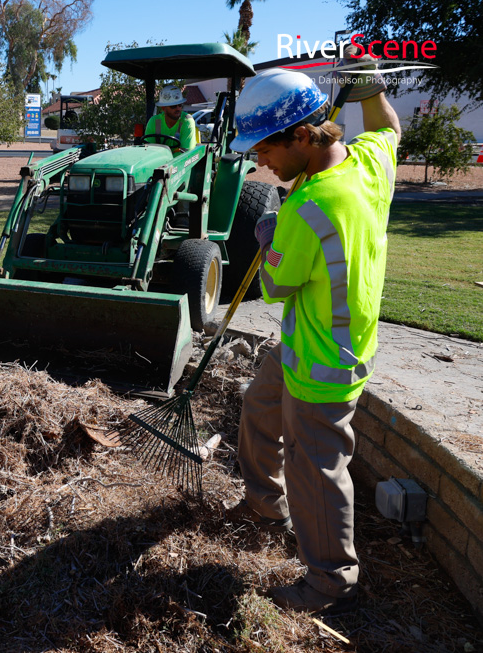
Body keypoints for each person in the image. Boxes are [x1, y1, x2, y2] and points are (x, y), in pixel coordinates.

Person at [226, 60, 400, 614]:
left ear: (301, 135)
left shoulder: (308, 206)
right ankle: (262, 502)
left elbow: (276, 284)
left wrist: (267, 231)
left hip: (323, 365)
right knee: (258, 405)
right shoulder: (368, 165)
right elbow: (388, 129)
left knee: (317, 471)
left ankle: (329, 580)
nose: (260, 163)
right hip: (311, 341)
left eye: (265, 150)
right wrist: (372, 88)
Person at [143, 85, 198, 153]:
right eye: (173, 106)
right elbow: (148, 150)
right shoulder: (154, 121)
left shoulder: (187, 121)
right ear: (163, 108)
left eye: (180, 105)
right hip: (160, 162)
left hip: (182, 162)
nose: (178, 108)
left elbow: (185, 153)